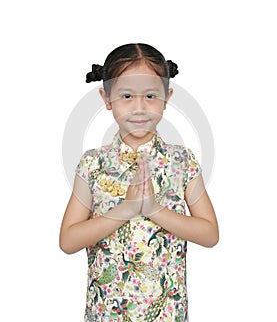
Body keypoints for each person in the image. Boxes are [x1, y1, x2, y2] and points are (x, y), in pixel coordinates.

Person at [59, 43, 219, 322]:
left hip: (167, 315)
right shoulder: (92, 164)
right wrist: (125, 210)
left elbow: (209, 234)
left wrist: (154, 210)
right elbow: (68, 240)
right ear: (106, 97)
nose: (139, 107)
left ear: (167, 98)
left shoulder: (182, 161)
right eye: (127, 96)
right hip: (106, 313)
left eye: (150, 95)